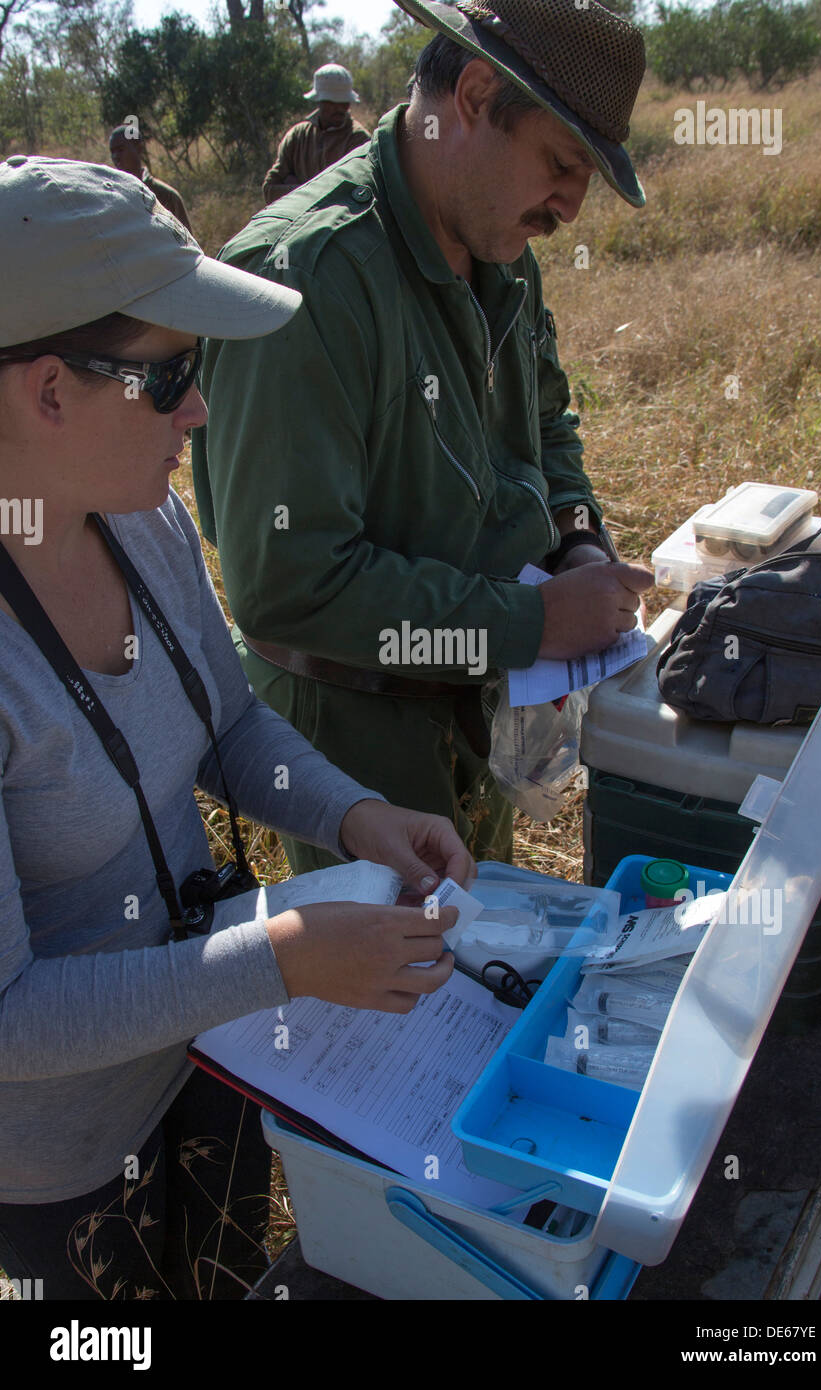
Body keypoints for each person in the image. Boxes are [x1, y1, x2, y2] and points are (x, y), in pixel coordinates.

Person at [0, 153, 467, 1300]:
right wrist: (283, 958)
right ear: (48, 390)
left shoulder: (139, 518)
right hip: (60, 1159)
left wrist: (356, 818)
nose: (200, 410)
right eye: (170, 377)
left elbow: (228, 724)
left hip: (216, 1055)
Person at [192, 0, 655, 878]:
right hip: (358, 744)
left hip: (481, 705)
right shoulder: (309, 279)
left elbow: (547, 423)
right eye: (560, 163)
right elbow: (289, 584)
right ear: (476, 95)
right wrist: (528, 623)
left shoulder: (501, 244)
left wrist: (579, 540)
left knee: (488, 966)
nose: (569, 207)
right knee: (405, 1000)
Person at [262, 63, 370, 204]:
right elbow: (270, 190)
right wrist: (324, 191)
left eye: (344, 102)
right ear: (319, 101)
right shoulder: (298, 136)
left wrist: (296, 188)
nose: (339, 108)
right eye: (332, 102)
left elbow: (361, 197)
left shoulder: (359, 140)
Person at [109, 124, 193, 233]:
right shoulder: (111, 196)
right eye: (112, 152)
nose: (116, 156)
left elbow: (187, 244)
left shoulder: (167, 197)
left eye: (120, 150)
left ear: (139, 148)